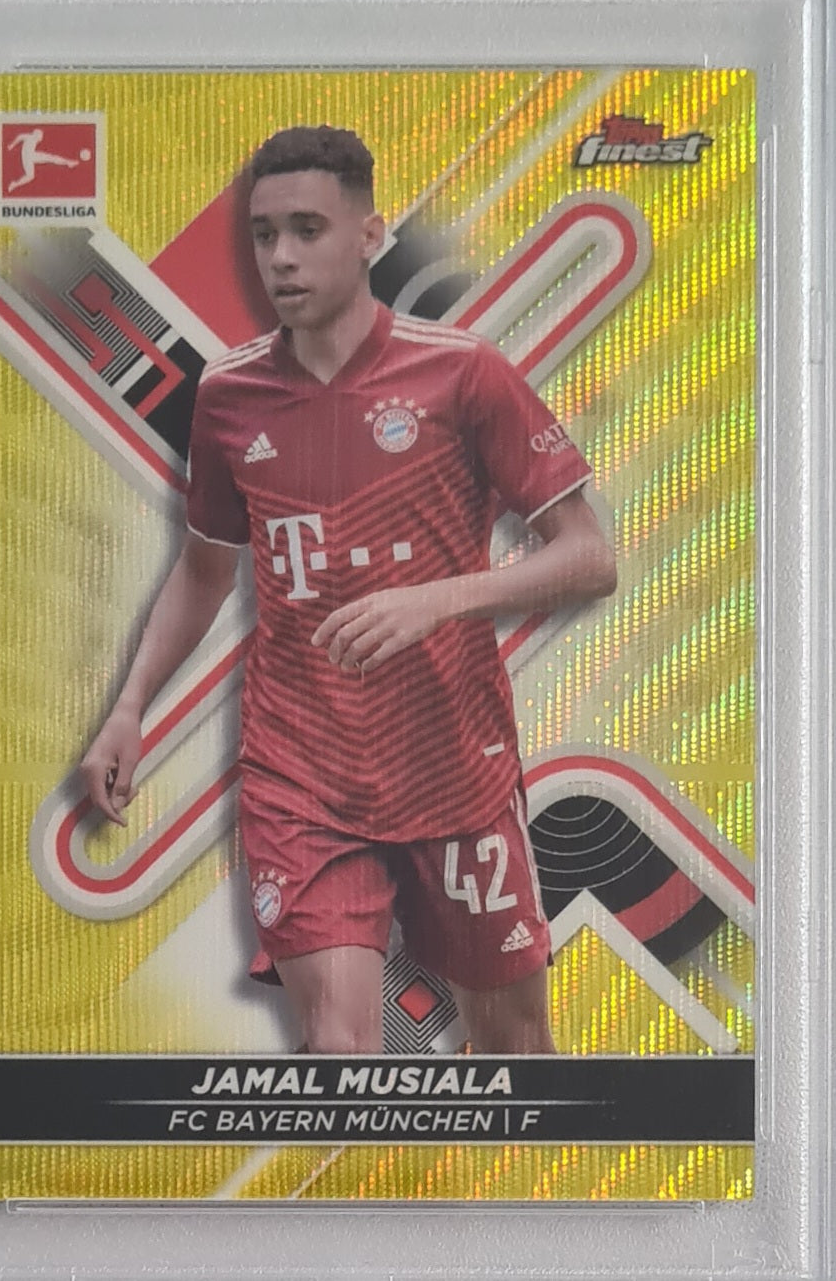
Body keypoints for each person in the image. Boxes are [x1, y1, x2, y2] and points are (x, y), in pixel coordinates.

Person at [80, 125, 616, 1054]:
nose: (280, 257)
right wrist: (128, 708)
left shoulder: (463, 373)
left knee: (515, 1052)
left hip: (453, 766)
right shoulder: (228, 396)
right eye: (263, 234)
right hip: (301, 773)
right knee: (339, 1051)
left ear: (368, 236)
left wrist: (438, 597)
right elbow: (205, 567)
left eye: (306, 229)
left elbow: (588, 557)